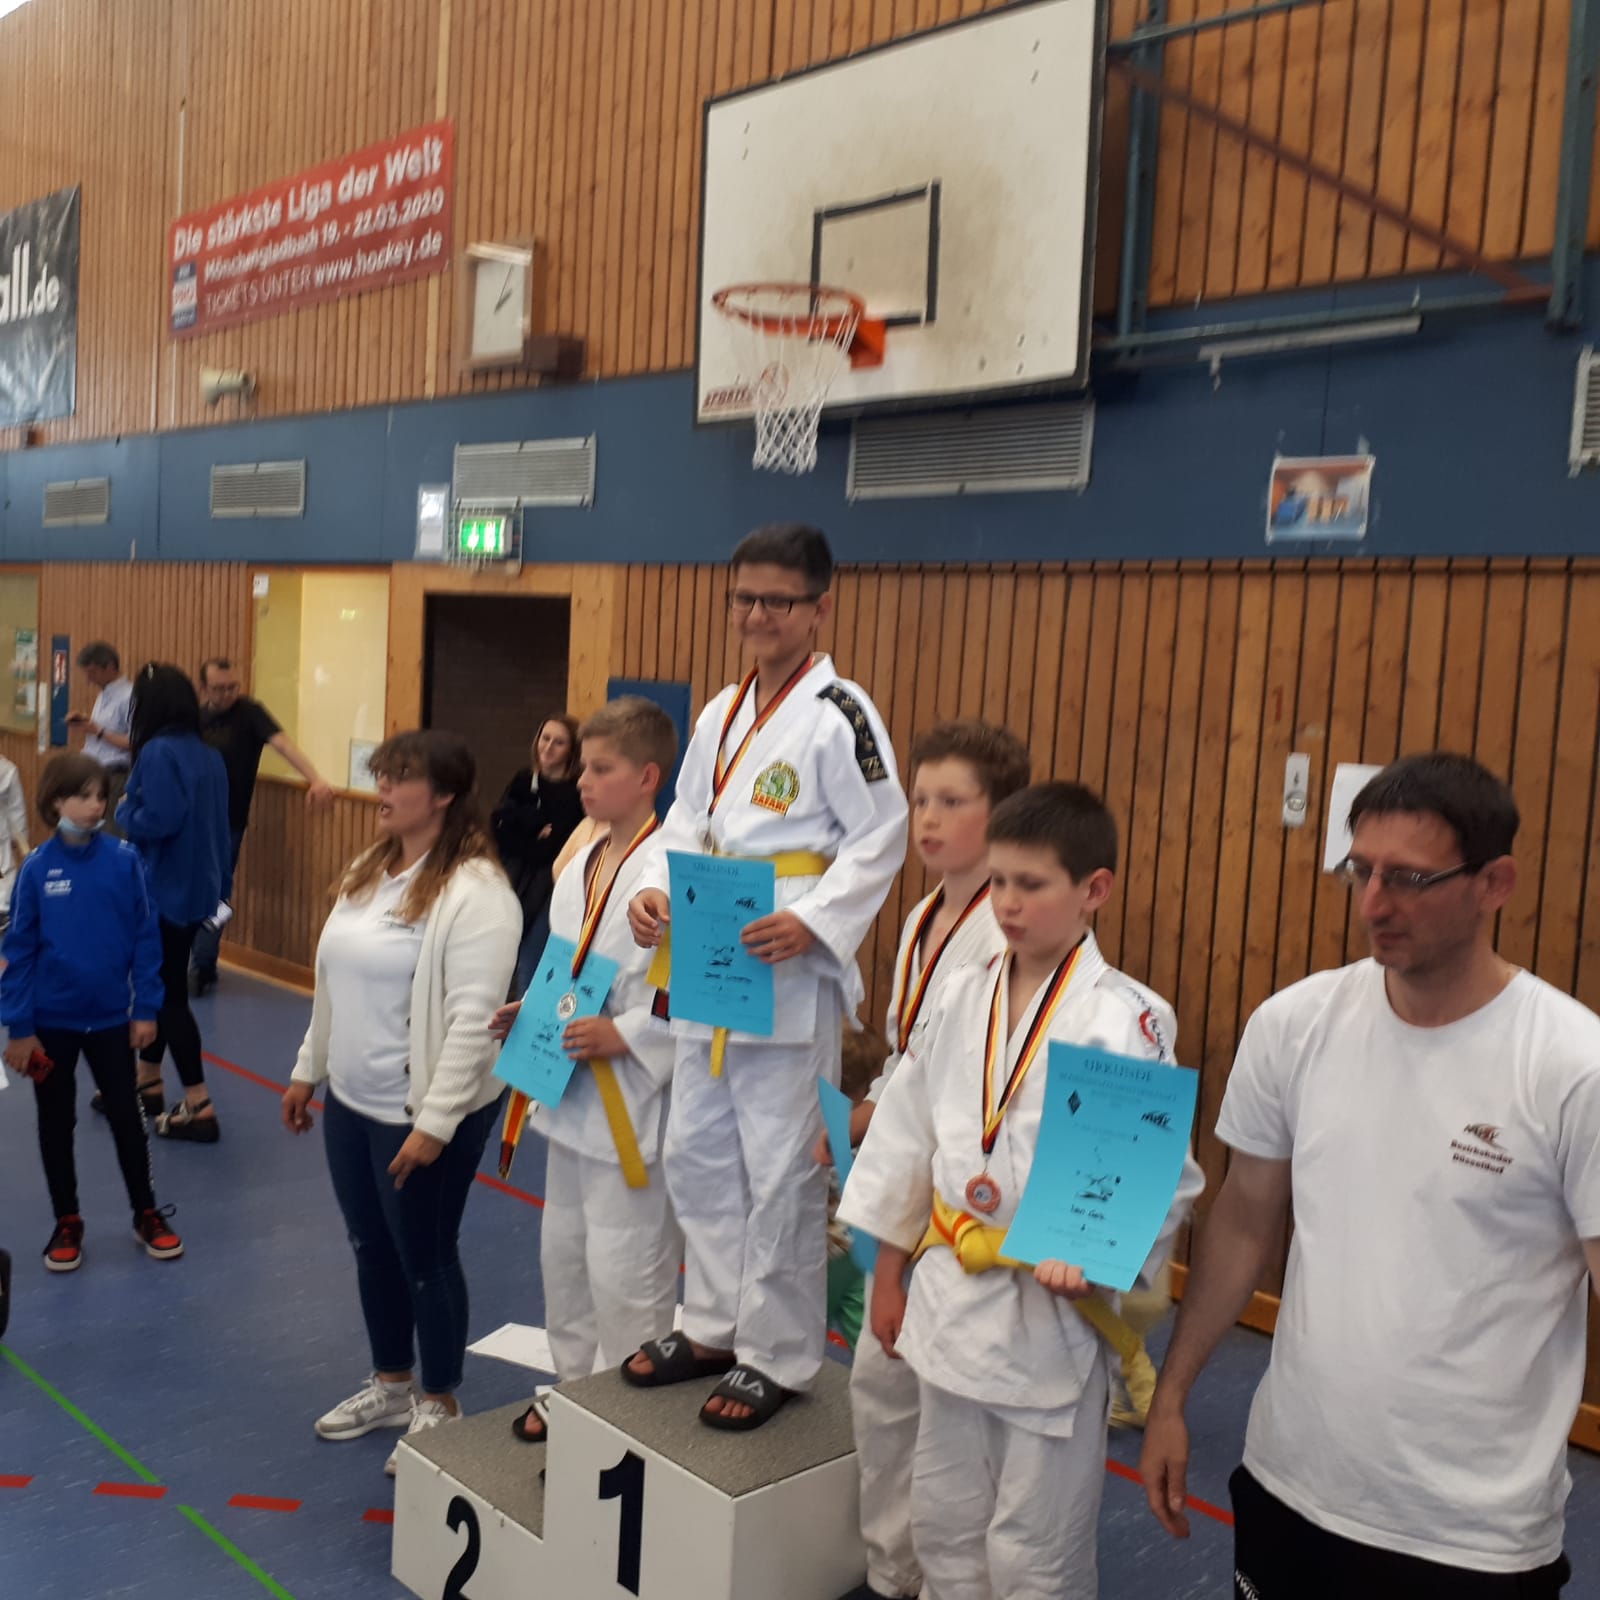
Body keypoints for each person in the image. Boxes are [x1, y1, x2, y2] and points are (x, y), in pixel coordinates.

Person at [1140, 752, 1598, 1599]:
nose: (1374, 905)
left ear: (1494, 884)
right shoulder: (1294, 1024)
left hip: (1470, 1537)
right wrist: (1172, 1396)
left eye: (1410, 879)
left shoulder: (1573, 1066)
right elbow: (1243, 1220)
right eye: (1362, 872)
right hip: (1290, 1484)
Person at [840, 782, 1204, 1600]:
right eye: (998, 880)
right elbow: (905, 1138)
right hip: (949, 1294)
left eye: (1031, 884)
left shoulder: (1125, 1019)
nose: (1006, 902)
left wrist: (1092, 1251)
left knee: (1034, 1555)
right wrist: (889, 1271)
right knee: (944, 1525)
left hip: (1049, 1314)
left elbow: (1157, 1173)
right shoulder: (962, 994)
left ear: (1093, 890)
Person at [624, 523, 907, 1430]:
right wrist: (653, 887)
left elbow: (883, 835)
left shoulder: (841, 715)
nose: (757, 614)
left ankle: (777, 1352)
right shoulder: (721, 710)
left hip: (782, 964)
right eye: (744, 597)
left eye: (777, 600)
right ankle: (712, 1324)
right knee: (697, 1149)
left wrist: (816, 920)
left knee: (781, 1165)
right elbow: (684, 821)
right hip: (706, 947)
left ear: (819, 608)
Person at [824, 719, 1029, 1600]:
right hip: (906, 1171)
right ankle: (893, 1569)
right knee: (882, 1383)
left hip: (968, 1196)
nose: (930, 819)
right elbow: (908, 1052)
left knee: (940, 1405)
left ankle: (935, 1574)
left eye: (953, 801)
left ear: (1003, 812)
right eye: (919, 801)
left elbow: (981, 1077)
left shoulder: (1008, 932)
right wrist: (867, 1109)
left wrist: (888, 1113)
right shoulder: (919, 918)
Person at [283, 730, 520, 1477]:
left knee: (425, 1256)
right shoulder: (370, 868)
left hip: (424, 1112)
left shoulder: (478, 893)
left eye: (400, 777)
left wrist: (437, 1123)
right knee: (371, 1247)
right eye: (381, 774)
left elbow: (475, 1022)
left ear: (443, 795)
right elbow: (334, 981)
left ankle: (439, 1401)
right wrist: (308, 1069)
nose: (382, 788)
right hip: (352, 1105)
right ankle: (391, 1385)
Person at [488, 698, 681, 1445]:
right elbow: (566, 970)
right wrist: (533, 1012)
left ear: (648, 777)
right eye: (585, 768)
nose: (584, 781)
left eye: (602, 769)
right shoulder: (581, 865)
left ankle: (623, 1414)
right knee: (563, 1259)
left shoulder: (670, 877)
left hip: (629, 1106)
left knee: (626, 1269)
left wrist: (625, 1034)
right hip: (566, 1089)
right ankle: (570, 1390)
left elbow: (690, 999)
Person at [1, 754, 181, 1272]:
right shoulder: (37, 869)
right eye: (83, 795)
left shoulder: (125, 861)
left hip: (110, 1022)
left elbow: (146, 939)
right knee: (55, 1122)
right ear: (56, 801)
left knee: (127, 1116)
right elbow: (18, 953)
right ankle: (67, 1221)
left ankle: (145, 1212)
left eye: (101, 795)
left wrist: (146, 1008)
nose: (96, 805)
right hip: (50, 1026)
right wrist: (20, 1028)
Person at [111, 664, 232, 1139]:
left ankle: (199, 1103)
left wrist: (124, 810)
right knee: (163, 986)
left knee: (166, 997)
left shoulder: (158, 752)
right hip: (199, 889)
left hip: (163, 890)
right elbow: (218, 828)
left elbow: (158, 820)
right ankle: (148, 1082)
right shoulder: (209, 755)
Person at [190, 656, 335, 995]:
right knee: (189, 888)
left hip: (228, 821)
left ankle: (203, 964)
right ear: (204, 688)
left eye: (233, 687)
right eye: (219, 688)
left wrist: (314, 778)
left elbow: (283, 744)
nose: (227, 694)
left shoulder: (250, 712)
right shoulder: (194, 718)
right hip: (192, 819)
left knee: (218, 893)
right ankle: (182, 956)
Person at [492, 714, 584, 995]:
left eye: (559, 742)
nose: (549, 747)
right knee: (501, 952)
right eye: (545, 738)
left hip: (550, 887)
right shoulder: (523, 780)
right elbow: (498, 829)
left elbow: (555, 849)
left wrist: (522, 832)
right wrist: (534, 826)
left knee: (531, 958)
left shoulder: (576, 793)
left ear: (572, 750)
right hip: (513, 879)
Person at [65, 642, 133, 828]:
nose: (89, 679)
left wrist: (99, 731)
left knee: (110, 829)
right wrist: (85, 722)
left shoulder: (129, 696)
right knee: (89, 828)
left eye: (93, 673)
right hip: (94, 770)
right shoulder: (104, 693)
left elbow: (134, 741)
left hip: (114, 774)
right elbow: (107, 728)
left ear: (110, 667)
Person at [0, 749, 31, 928]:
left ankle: (3, 909)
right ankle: (3, 908)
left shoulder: (7, 769)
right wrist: (19, 837)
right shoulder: (6, 769)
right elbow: (16, 808)